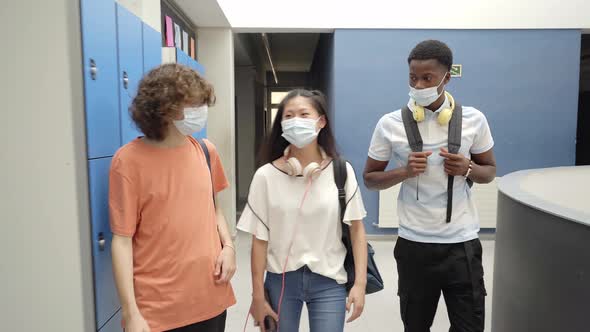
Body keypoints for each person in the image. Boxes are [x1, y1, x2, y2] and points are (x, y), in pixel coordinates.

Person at [364, 40, 497, 332]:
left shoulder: (474, 120)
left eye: (428, 78)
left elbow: (489, 172)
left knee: (470, 326)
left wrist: (469, 168)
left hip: (462, 244)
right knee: (416, 326)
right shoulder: (389, 124)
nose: (419, 84)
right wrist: (403, 171)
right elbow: (370, 179)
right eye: (413, 77)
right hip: (414, 246)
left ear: (447, 78)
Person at [109, 63, 236, 332]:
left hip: (210, 298)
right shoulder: (128, 161)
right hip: (158, 310)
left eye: (202, 103)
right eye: (192, 103)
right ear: (163, 108)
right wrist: (131, 313)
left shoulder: (205, 150)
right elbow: (122, 241)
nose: (200, 111)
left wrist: (229, 247)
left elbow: (215, 210)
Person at [238, 89, 368, 332]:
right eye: (288, 116)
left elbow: (357, 231)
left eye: (304, 114)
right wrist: (258, 295)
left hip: (329, 280)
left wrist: (359, 284)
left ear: (321, 122)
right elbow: (259, 241)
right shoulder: (266, 176)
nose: (295, 120)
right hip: (281, 280)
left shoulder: (342, 171)